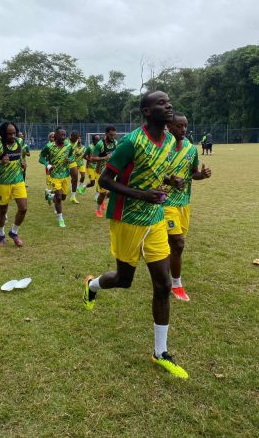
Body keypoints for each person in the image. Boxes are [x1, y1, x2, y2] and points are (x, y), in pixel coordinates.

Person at [83, 91, 188, 379]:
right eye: (161, 103)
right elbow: (105, 180)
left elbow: (156, 170)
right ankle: (92, 285)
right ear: (145, 112)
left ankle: (160, 352)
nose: (168, 105)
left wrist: (171, 180)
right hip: (126, 218)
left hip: (155, 218)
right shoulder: (131, 142)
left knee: (163, 284)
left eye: (169, 101)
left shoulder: (168, 140)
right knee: (124, 280)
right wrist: (141, 195)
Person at [165, 112, 212, 301]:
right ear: (169, 127)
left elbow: (193, 174)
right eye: (179, 126)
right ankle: (176, 285)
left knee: (173, 245)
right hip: (165, 202)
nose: (183, 129)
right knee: (178, 243)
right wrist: (170, 181)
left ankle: (160, 263)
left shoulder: (191, 149)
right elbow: (151, 173)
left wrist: (203, 174)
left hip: (184, 204)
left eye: (185, 126)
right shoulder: (161, 148)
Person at [0, 122, 27, 247]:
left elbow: (22, 155)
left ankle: (14, 232)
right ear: (3, 133)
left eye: (14, 133)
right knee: (3, 210)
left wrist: (23, 162)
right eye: (9, 133)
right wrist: (0, 162)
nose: (12, 135)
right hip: (3, 183)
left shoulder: (19, 142)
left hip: (19, 181)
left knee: (23, 209)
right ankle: (1, 234)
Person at [39, 127, 75, 228]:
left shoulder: (68, 146)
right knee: (59, 197)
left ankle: (50, 195)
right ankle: (60, 218)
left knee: (63, 197)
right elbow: (41, 158)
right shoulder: (49, 146)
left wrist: (70, 159)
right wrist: (47, 164)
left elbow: (72, 156)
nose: (63, 137)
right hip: (54, 175)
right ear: (55, 135)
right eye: (61, 135)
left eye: (64, 135)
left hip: (65, 175)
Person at [90, 126, 118, 217]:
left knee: (113, 191)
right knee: (102, 193)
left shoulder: (116, 143)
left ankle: (103, 199)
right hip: (100, 172)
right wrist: (104, 158)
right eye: (111, 135)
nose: (113, 137)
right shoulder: (100, 145)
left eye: (114, 135)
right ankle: (98, 210)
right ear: (106, 134)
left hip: (112, 171)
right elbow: (92, 158)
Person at [68, 131, 80, 204]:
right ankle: (50, 192)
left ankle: (73, 196)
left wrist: (76, 152)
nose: (76, 140)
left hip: (72, 162)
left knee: (75, 178)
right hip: (64, 163)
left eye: (77, 138)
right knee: (61, 180)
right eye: (75, 138)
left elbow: (74, 149)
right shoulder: (66, 142)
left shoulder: (76, 141)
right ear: (71, 137)